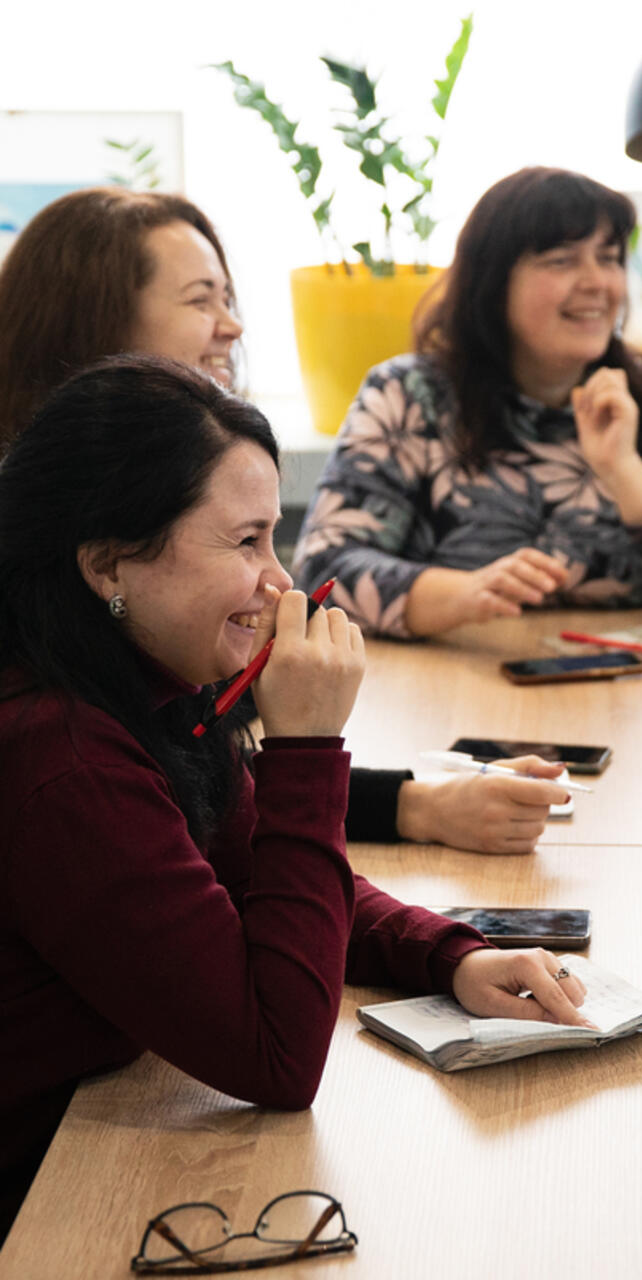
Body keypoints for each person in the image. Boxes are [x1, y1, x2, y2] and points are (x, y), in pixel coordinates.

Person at [0, 357, 590, 1242]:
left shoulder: (146, 682)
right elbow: (276, 1056)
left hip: (89, 1126)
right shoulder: (63, 754)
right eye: (245, 544)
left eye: (274, 538)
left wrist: (450, 957)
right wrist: (308, 747)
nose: (280, 583)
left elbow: (263, 876)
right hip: (37, 1196)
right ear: (107, 563)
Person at [0, 185, 568, 854]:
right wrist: (409, 801)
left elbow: (212, 778)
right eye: (199, 299)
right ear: (94, 325)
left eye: (228, 299)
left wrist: (415, 803)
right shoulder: (58, 724)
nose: (232, 326)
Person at [290, 166, 642, 636]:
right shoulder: (406, 397)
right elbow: (321, 575)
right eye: (562, 260)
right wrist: (464, 594)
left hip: (630, 691)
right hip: (452, 689)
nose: (598, 282)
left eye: (609, 257)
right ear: (493, 282)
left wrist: (626, 472)